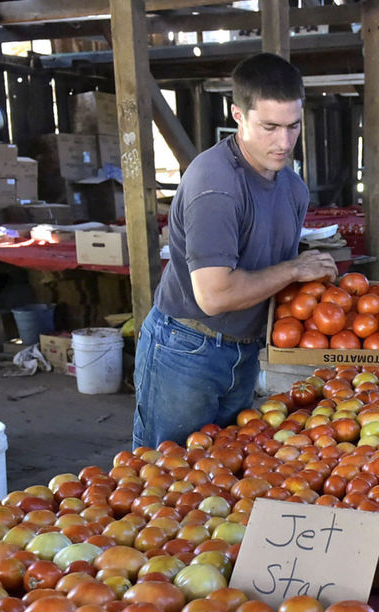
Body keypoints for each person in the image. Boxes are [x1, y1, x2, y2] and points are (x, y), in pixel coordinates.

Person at [133, 52, 337, 449]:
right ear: (238, 116)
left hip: (244, 352)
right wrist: (296, 270)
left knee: (226, 473)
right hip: (188, 349)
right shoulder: (217, 184)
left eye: (293, 126)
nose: (284, 142)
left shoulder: (292, 186)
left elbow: (268, 272)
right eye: (269, 127)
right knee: (166, 477)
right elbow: (215, 295)